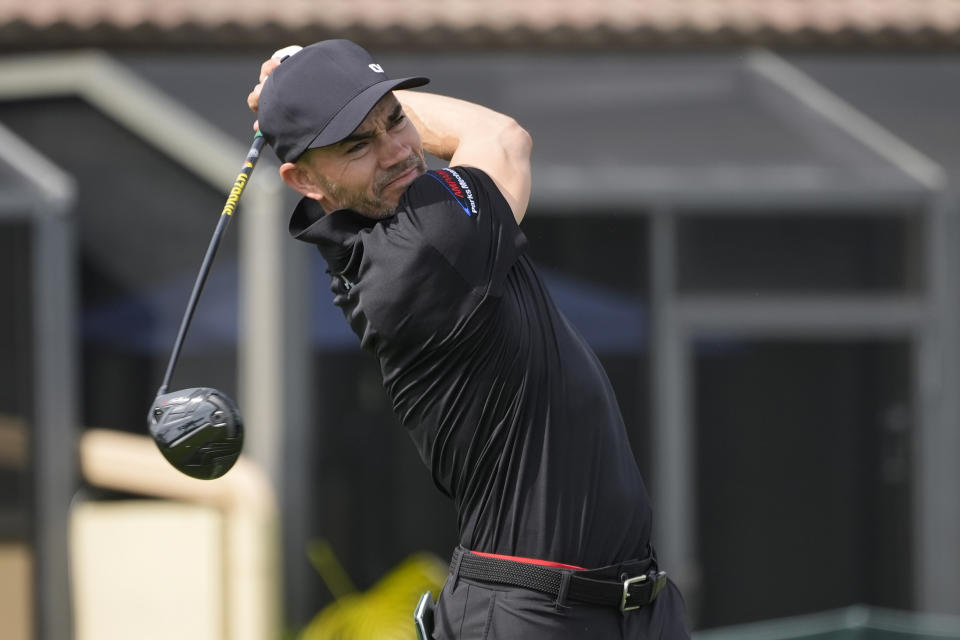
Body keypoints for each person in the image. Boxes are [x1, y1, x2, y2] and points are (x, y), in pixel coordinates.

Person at [248, 39, 691, 639]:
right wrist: (352, 90)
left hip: (624, 606)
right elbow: (502, 136)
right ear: (304, 180)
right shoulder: (427, 243)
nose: (397, 150)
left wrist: (336, 91)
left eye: (395, 119)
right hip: (532, 615)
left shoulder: (399, 234)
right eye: (358, 144)